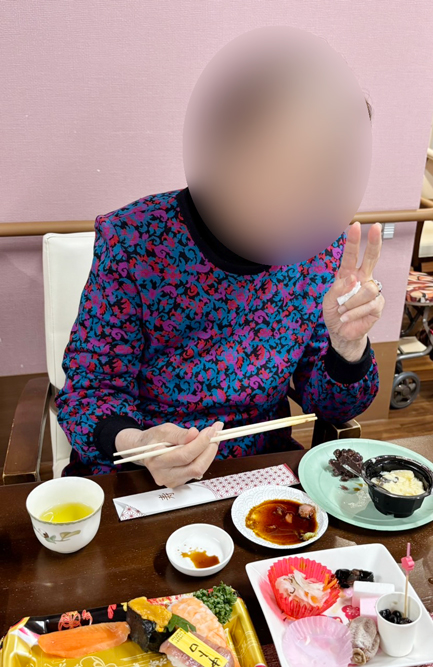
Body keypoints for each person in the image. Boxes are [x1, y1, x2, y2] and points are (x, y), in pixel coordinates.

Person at [56, 28, 385, 486]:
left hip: (259, 472)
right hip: (143, 473)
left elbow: (331, 406)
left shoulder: (320, 249)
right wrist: (139, 444)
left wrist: (347, 349)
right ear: (232, 145)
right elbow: (89, 394)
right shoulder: (136, 240)